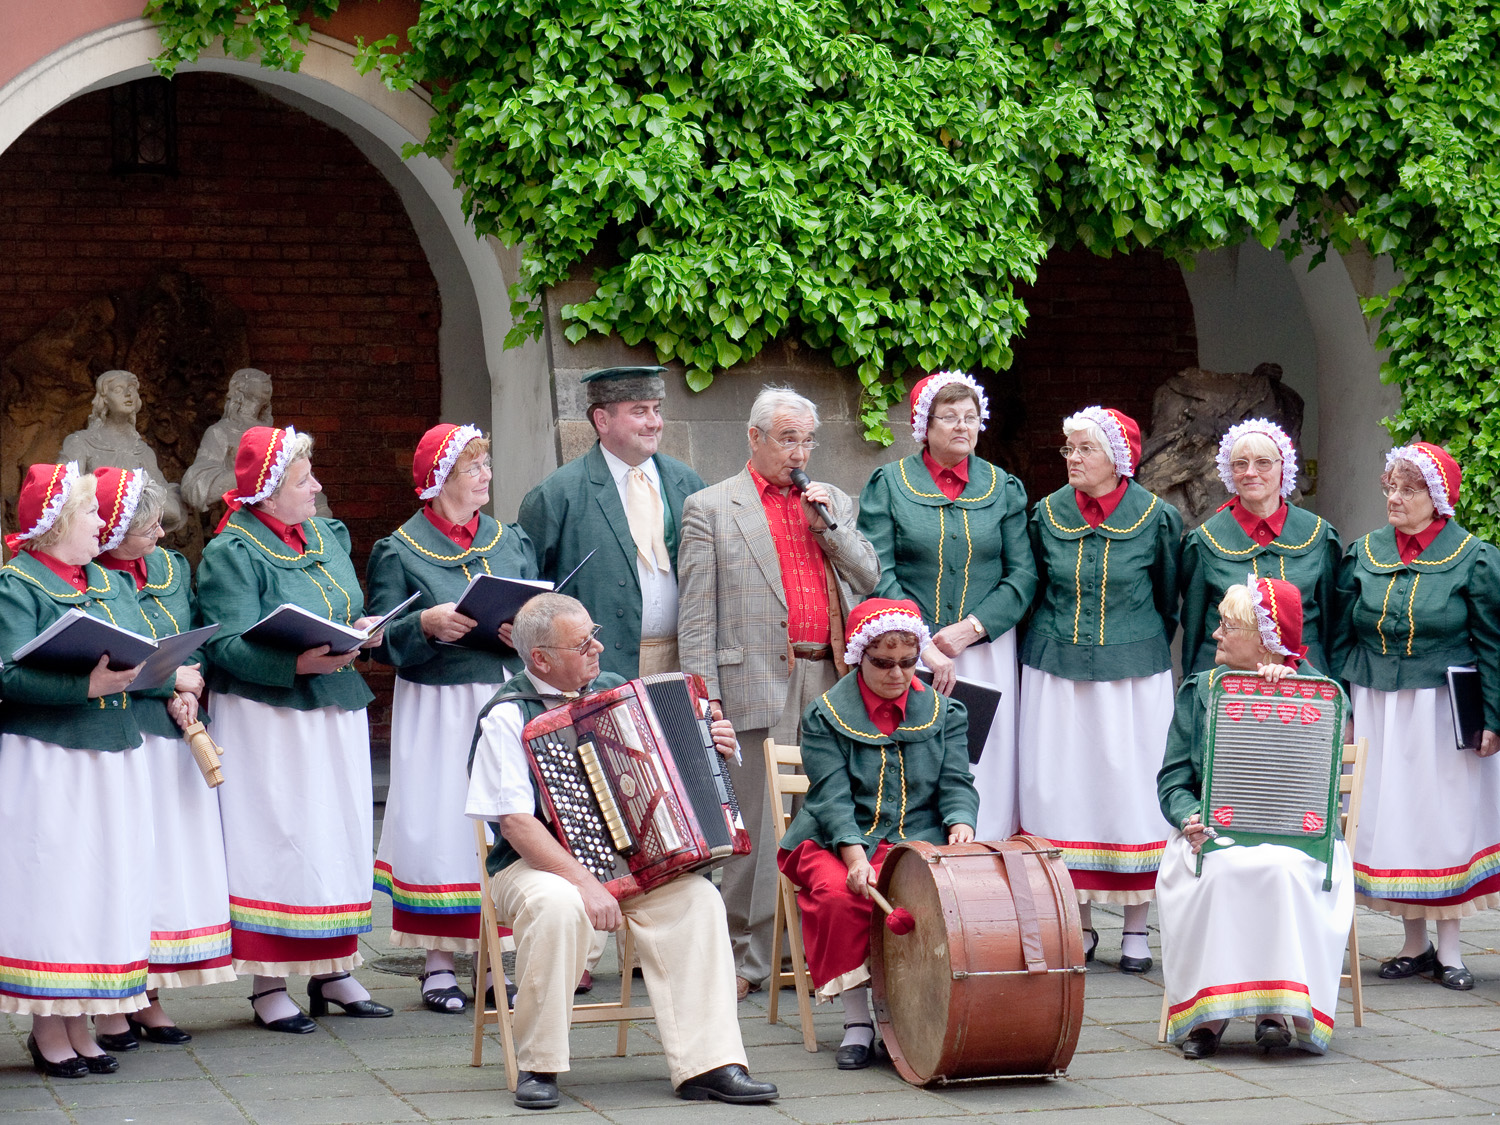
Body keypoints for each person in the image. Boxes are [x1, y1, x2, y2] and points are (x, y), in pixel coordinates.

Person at [464, 593, 779, 1110]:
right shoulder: (506, 715)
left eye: (594, 634)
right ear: (540, 658)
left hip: (635, 864)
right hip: (534, 867)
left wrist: (713, 739)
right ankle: (538, 1065)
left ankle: (711, 1063)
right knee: (556, 905)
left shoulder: (621, 693)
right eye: (581, 642)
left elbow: (678, 763)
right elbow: (518, 825)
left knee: (698, 899)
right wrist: (584, 883)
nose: (597, 648)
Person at [678, 386, 880, 999]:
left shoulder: (832, 502)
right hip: (752, 680)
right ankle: (746, 958)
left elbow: (869, 576)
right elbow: (695, 618)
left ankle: (813, 952)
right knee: (758, 823)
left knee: (826, 813)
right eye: (787, 439)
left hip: (831, 679)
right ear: (755, 438)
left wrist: (833, 529)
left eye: (807, 440)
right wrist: (702, 696)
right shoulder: (711, 508)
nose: (799, 452)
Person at [195, 426, 393, 1031]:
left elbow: (338, 609)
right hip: (267, 715)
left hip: (333, 705)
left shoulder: (328, 535)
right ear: (271, 491)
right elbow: (224, 642)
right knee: (278, 834)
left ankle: (335, 966)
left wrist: (365, 629)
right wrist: (294, 661)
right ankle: (268, 981)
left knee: (336, 831)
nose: (318, 487)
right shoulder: (232, 551)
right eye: (305, 480)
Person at [0, 464, 173, 1077]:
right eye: (91, 513)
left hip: (115, 752)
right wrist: (86, 682)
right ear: (56, 524)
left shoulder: (106, 581)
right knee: (58, 883)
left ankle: (82, 1015)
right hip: (51, 757)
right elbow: (6, 675)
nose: (104, 521)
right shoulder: (16, 584)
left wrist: (155, 670)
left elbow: (139, 648)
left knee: (104, 880)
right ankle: (49, 1025)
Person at [367, 423, 538, 1013]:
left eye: (487, 465)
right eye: (473, 468)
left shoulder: (508, 539)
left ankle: (493, 962)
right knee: (441, 818)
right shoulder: (400, 549)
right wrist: (424, 624)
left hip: (500, 693)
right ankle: (437, 963)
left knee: (501, 813)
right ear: (439, 481)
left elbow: (532, 600)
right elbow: (380, 637)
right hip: (438, 703)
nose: (486, 476)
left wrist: (525, 627)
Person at [1157, 577, 1354, 1058]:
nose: (1215, 634)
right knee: (1225, 871)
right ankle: (1212, 1015)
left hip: (1296, 842)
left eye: (1228, 626)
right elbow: (1172, 781)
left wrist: (1294, 692)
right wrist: (1188, 819)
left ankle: (1275, 1009)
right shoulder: (1201, 690)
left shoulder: (1320, 692)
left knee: (1281, 871)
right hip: (1212, 838)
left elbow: (1324, 760)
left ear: (1266, 639)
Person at [778, 598, 978, 1069]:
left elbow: (955, 785)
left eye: (908, 663)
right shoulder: (824, 715)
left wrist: (961, 823)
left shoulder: (946, 713)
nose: (897, 674)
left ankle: (912, 1016)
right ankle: (857, 1023)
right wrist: (853, 860)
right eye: (884, 663)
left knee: (938, 899)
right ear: (859, 656)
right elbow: (830, 799)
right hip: (834, 839)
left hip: (915, 838)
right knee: (841, 895)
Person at [1017, 406, 1181, 971]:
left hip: (1133, 678)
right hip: (1054, 672)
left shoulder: (1157, 517)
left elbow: (1168, 597)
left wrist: (1132, 640)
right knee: (1061, 789)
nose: (1072, 460)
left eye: (1084, 449)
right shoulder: (1045, 515)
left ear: (1117, 457)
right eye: (1068, 450)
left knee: (1129, 792)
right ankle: (1078, 924)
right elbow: (1033, 589)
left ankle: (1137, 929)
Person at [1335, 442, 1500, 990]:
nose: (1395, 498)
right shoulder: (1364, 552)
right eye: (1390, 487)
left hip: (1442, 709)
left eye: (1409, 489)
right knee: (1392, 816)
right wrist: (1346, 707)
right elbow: (1341, 637)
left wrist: (1493, 718)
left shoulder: (1473, 556)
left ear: (1439, 497)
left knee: (1443, 818)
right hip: (1379, 703)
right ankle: (1415, 943)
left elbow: (1494, 644)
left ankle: (1451, 949)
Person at [857, 371, 1035, 839]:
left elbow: (1023, 575)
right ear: (924, 426)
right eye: (950, 417)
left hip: (985, 648)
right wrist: (920, 640)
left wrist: (970, 629)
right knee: (915, 751)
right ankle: (917, 864)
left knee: (986, 758)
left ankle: (987, 859)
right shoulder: (890, 484)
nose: (963, 427)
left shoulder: (1005, 488)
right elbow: (879, 569)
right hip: (908, 648)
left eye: (971, 418)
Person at [90, 468, 231, 1052]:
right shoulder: (91, 579)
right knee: (125, 867)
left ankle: (150, 995)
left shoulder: (173, 569)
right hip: (128, 735)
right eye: (142, 522)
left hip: (176, 731)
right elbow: (108, 661)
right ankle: (107, 1004)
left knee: (166, 869)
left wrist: (192, 684)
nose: (158, 529)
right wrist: (168, 680)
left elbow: (193, 638)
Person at [518, 366, 705, 678]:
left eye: (656, 410)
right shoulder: (556, 495)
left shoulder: (688, 483)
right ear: (602, 420)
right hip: (600, 672)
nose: (654, 423)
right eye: (639, 411)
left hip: (683, 664)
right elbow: (529, 595)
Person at [1179, 419, 1344, 675]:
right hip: (1224, 678)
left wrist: (1338, 695)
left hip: (1305, 678)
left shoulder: (1320, 536)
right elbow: (1194, 627)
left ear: (1283, 468)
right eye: (1240, 464)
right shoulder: (1203, 541)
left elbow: (1334, 625)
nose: (1250, 472)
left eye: (1263, 463)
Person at [59, 369, 186, 531]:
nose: (128, 394)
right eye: (118, 390)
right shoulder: (80, 443)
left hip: (135, 536)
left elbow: (167, 503)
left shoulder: (143, 451)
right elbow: (63, 492)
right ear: (104, 400)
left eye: (132, 389)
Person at [181, 367, 275, 512]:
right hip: (235, 512)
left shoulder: (274, 435)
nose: (266, 379)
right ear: (239, 386)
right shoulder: (220, 431)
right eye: (257, 377)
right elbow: (197, 484)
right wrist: (251, 474)